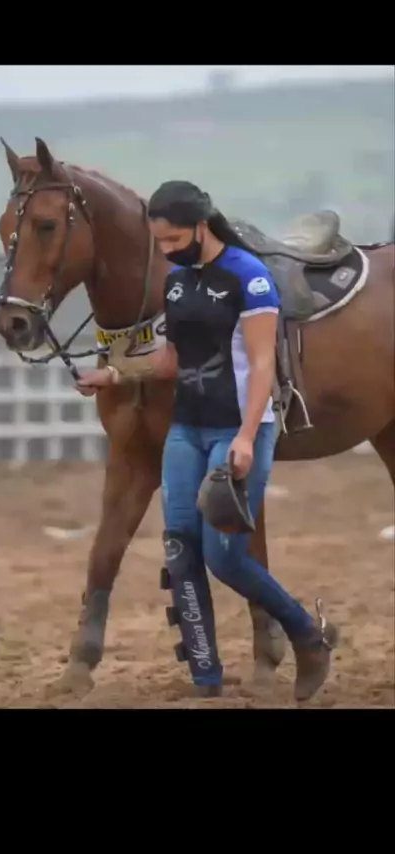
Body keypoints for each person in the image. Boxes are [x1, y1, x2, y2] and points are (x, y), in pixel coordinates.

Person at [75, 180, 338, 702]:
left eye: (174, 239)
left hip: (236, 429)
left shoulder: (250, 277)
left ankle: (308, 636)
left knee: (224, 556)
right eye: (160, 242)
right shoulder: (178, 282)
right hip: (186, 429)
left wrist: (247, 437)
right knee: (180, 547)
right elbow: (173, 360)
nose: (167, 250)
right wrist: (115, 375)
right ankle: (206, 678)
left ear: (201, 226)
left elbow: (262, 365)